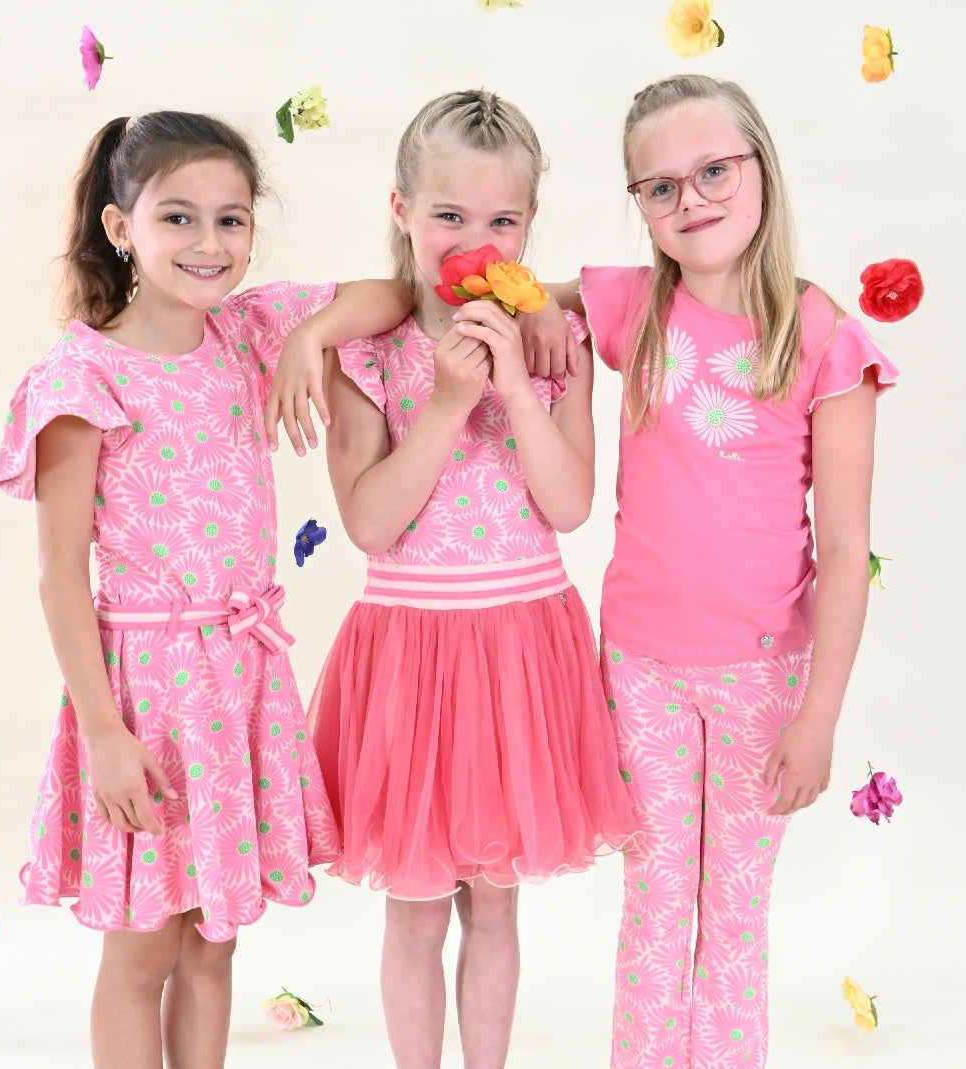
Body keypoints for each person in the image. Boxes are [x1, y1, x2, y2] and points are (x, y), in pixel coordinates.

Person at [0, 110, 410, 1069]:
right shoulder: (81, 375)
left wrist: (310, 337)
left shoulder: (249, 331)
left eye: (231, 219)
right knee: (144, 948)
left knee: (213, 944)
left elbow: (392, 294)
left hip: (239, 683)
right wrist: (104, 732)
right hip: (144, 694)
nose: (208, 242)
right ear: (120, 227)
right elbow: (60, 573)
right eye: (177, 217)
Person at [557, 74, 899, 1069]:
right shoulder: (629, 305)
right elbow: (501, 297)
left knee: (733, 917)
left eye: (713, 170)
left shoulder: (820, 334)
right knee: (657, 902)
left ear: (761, 170)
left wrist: (818, 718)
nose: (690, 199)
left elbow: (844, 550)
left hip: (762, 674)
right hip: (640, 667)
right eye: (658, 186)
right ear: (638, 203)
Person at [304, 89, 639, 1069]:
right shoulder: (364, 353)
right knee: (414, 912)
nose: (474, 242)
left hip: (520, 649)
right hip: (410, 652)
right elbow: (370, 522)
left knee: (495, 904)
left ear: (528, 227)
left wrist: (516, 390)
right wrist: (448, 403)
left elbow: (569, 504)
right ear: (401, 209)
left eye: (502, 222)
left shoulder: (556, 343)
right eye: (449, 215)